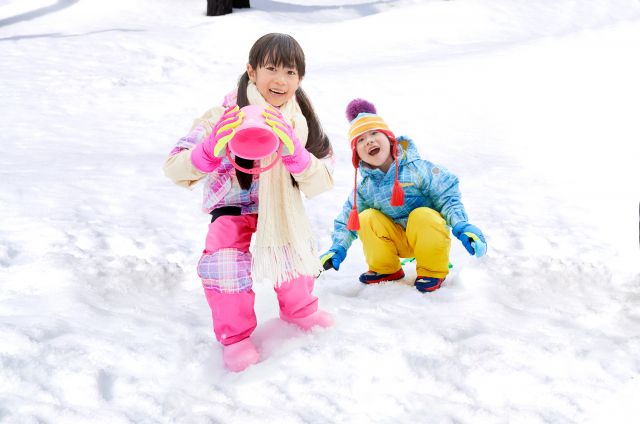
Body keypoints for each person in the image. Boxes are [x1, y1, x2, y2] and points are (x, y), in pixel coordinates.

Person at [163, 33, 334, 372]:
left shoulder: (302, 122)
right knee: (223, 263)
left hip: (280, 210)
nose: (280, 80)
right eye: (271, 68)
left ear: (299, 79)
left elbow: (324, 177)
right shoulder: (222, 114)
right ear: (251, 71)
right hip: (232, 206)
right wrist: (211, 147)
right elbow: (175, 167)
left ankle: (300, 310)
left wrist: (296, 154)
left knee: (295, 248)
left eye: (290, 72)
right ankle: (236, 337)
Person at [320, 99, 486, 293]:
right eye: (361, 140)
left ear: (390, 139)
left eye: (374, 133)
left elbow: (447, 195)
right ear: (357, 156)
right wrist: (337, 247)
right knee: (365, 217)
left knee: (423, 214)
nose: (370, 141)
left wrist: (461, 225)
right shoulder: (365, 188)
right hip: (395, 240)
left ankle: (432, 270)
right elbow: (347, 220)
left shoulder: (417, 168)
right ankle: (385, 269)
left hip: (428, 236)